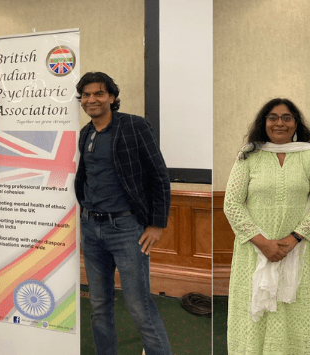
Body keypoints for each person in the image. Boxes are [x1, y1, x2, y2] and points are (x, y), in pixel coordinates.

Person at [74, 71, 172, 355]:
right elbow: (86, 177)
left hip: (127, 230)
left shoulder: (134, 126)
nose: (92, 99)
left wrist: (156, 224)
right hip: (91, 230)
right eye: (87, 95)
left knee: (139, 305)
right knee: (99, 305)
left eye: (99, 93)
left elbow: (159, 176)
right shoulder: (86, 133)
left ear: (112, 97)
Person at [224, 98, 310, 354]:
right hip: (254, 252)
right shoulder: (249, 154)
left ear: (296, 124)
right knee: (256, 316)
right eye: (272, 117)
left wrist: (294, 238)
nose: (279, 123)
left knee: (294, 309)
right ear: (264, 123)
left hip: (297, 250)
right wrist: (263, 243)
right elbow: (232, 204)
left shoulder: (308, 155)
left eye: (286, 117)